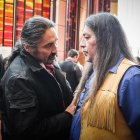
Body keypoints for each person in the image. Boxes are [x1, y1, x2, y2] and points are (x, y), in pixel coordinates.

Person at [0, 16, 76, 140]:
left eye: (55, 42)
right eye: (48, 46)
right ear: (27, 47)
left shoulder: (47, 60)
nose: (55, 50)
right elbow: (28, 132)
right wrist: (67, 116)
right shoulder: (19, 78)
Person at [71, 13, 140, 140]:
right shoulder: (93, 73)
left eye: (87, 37)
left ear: (106, 39)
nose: (81, 44)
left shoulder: (131, 78)